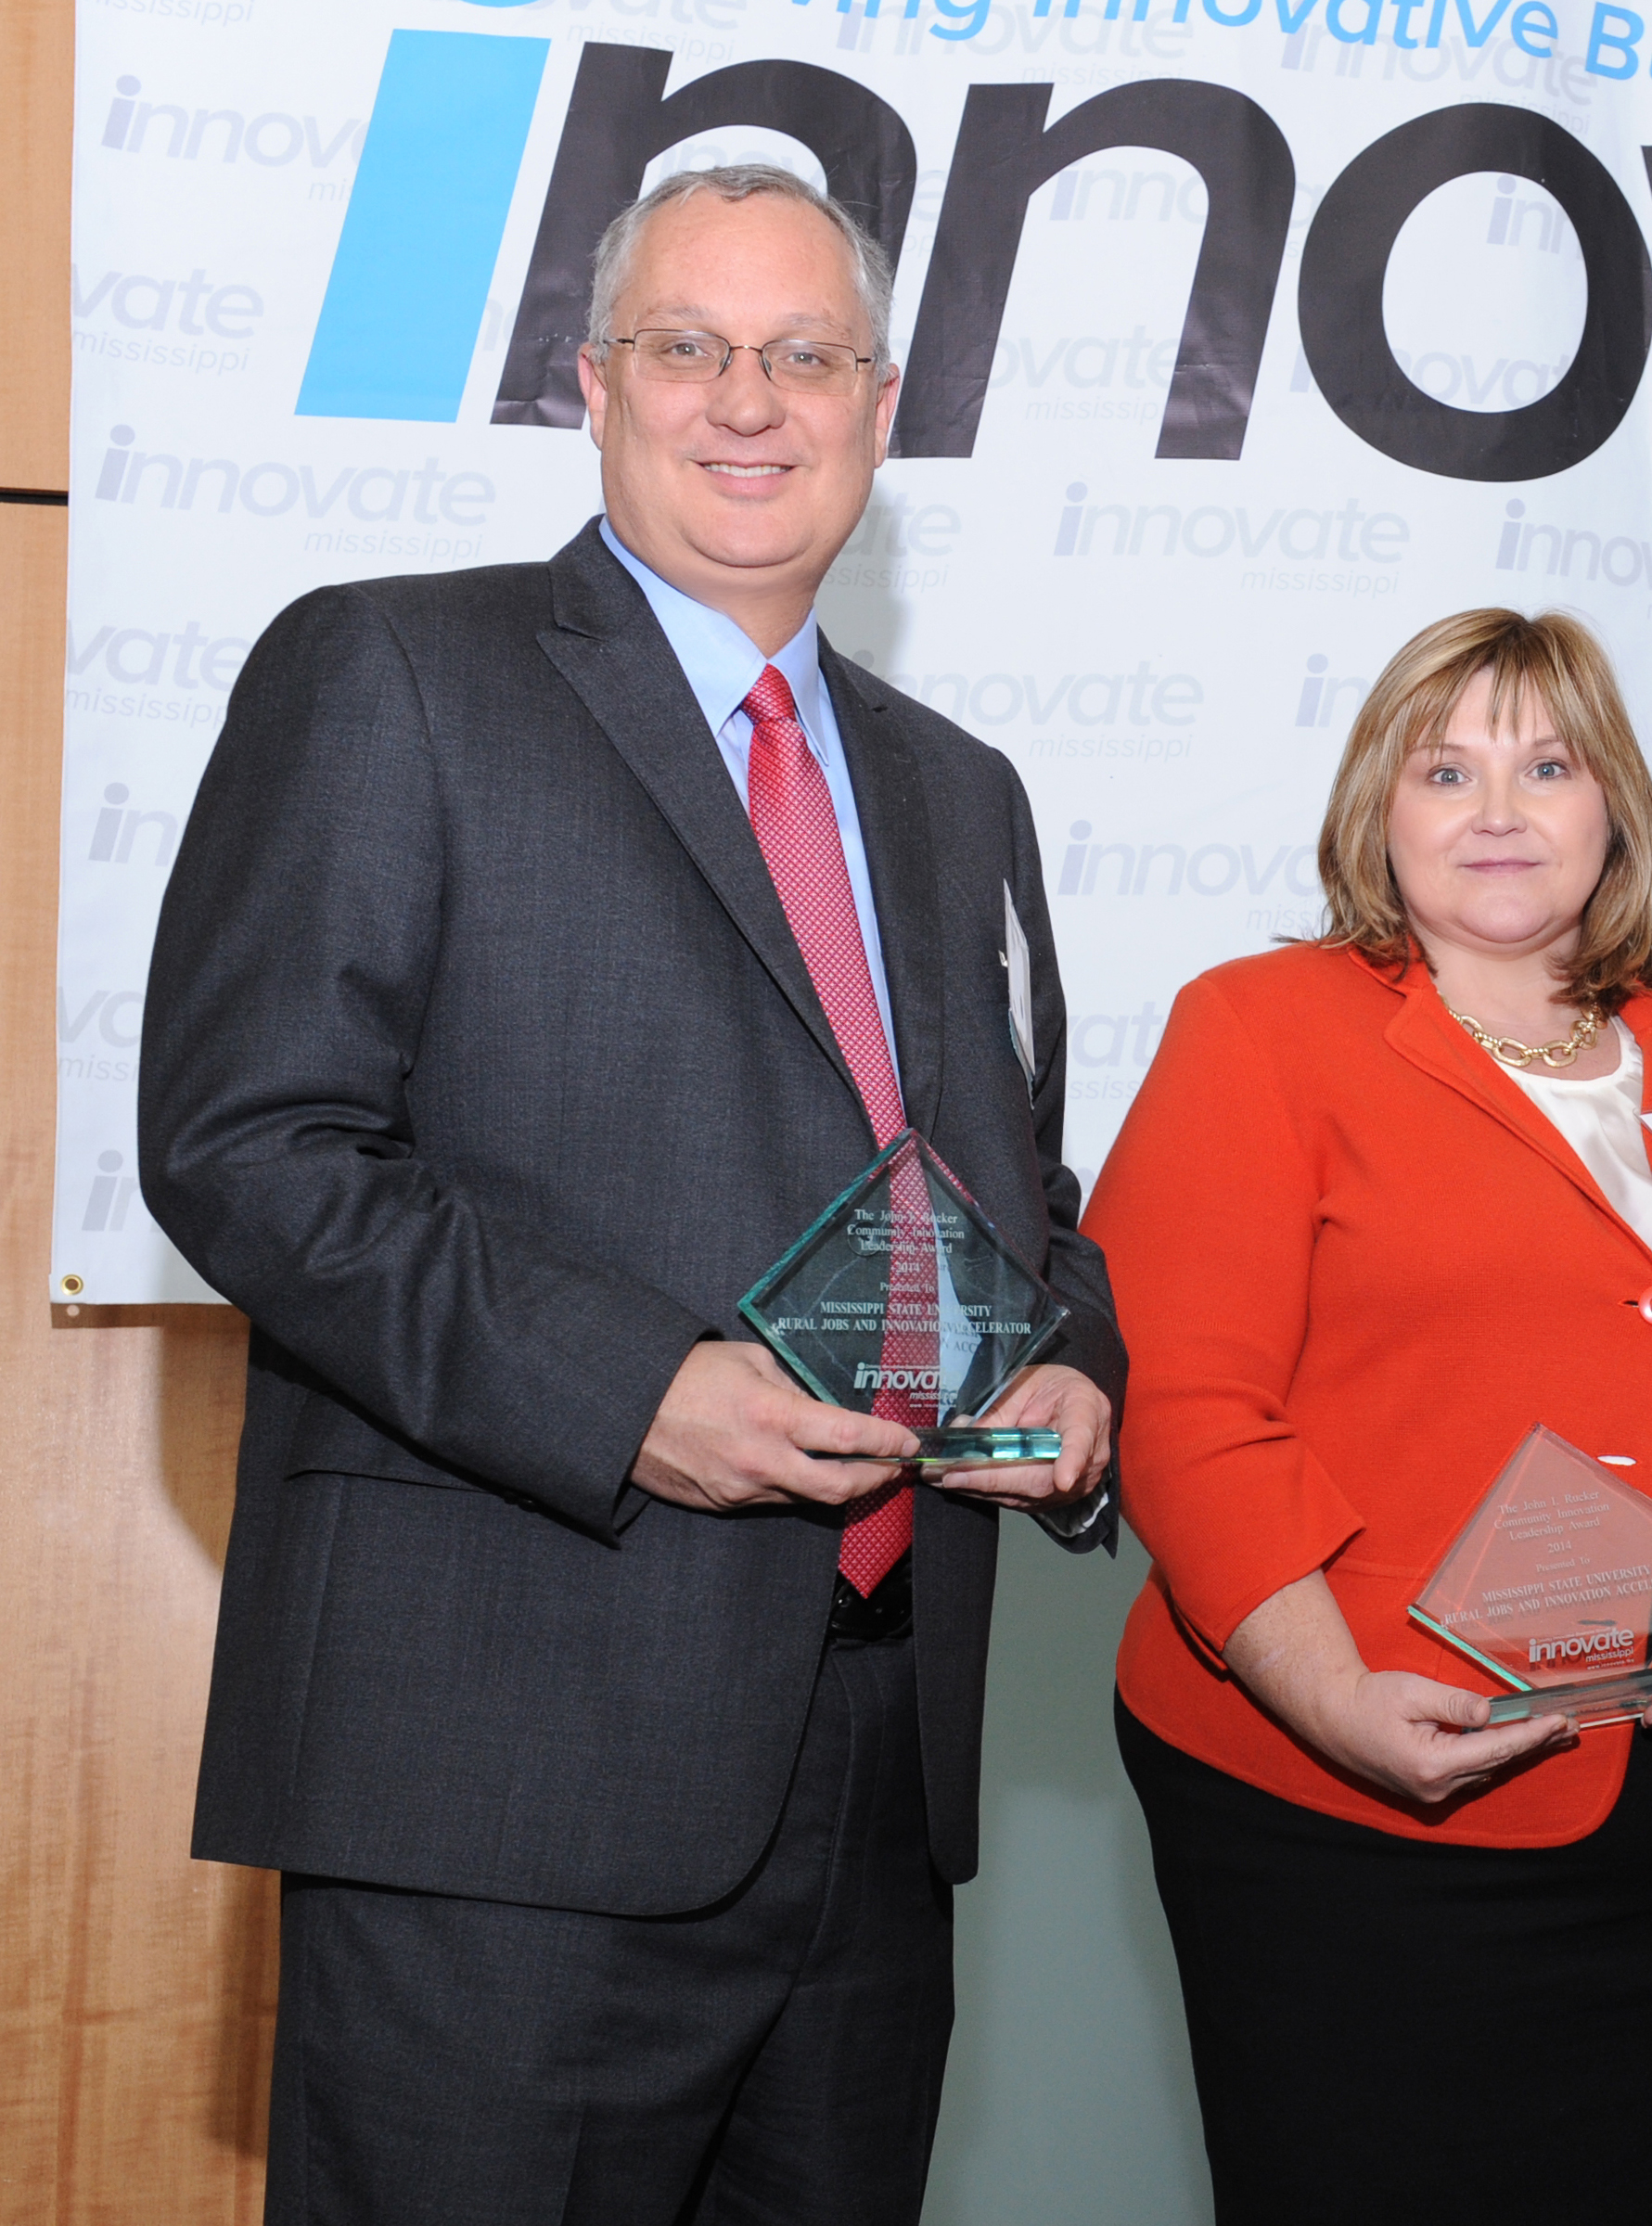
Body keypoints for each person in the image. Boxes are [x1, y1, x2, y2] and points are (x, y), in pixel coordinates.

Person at [137, 164, 1123, 2225]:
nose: (746, 400)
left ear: (880, 409)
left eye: (807, 355)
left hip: (873, 1787)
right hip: (504, 1772)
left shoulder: (960, 790)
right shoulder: (391, 673)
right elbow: (252, 1143)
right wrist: (629, 1392)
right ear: (593, 386)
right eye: (689, 346)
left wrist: (1077, 1374)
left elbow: (1018, 1188)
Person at [1083, 608, 1652, 2226]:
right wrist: (1328, 1697)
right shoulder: (1260, 1029)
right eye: (1444, 767)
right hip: (1373, 1784)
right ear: (1374, 809)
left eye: (1547, 764)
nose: (1497, 807)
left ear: (1614, 803)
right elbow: (1185, 1401)